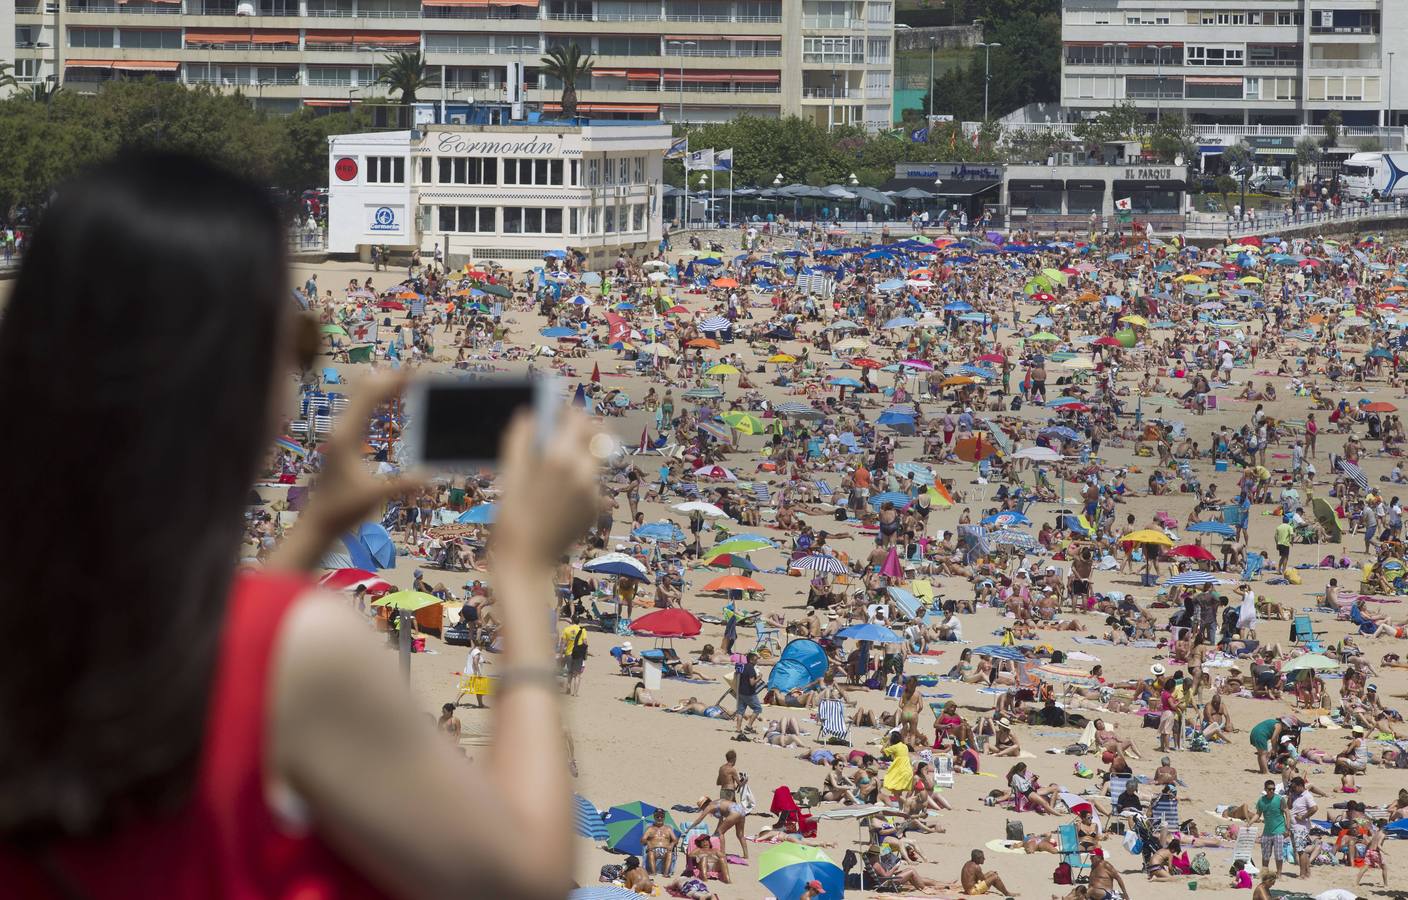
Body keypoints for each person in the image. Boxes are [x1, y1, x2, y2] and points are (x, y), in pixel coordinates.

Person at [0, 154, 606, 899]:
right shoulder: (301, 649)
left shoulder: (51, 624)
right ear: (233, 381)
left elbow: (196, 681)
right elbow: (525, 882)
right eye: (295, 349)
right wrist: (521, 570)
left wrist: (315, 527)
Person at [1253, 779, 1289, 876]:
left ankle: (1279, 874)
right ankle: (1265, 873)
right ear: (1265, 789)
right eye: (1269, 789)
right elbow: (1258, 814)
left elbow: (1286, 812)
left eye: (1273, 789)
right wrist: (1250, 822)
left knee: (1278, 855)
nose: (1272, 791)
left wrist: (1288, 827)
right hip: (1267, 832)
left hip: (1279, 830)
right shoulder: (1261, 801)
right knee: (1265, 855)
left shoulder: (1280, 799)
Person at [642, 808, 679, 876]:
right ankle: (653, 872)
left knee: (670, 853)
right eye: (657, 816)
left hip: (666, 850)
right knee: (650, 853)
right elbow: (642, 840)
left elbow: (675, 839)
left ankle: (666, 873)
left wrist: (672, 844)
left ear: (664, 817)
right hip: (653, 850)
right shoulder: (650, 828)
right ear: (654, 817)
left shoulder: (668, 828)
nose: (659, 818)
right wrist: (648, 842)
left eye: (661, 817)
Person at [735, 651, 764, 735]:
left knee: (740, 711)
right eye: (755, 660)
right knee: (758, 708)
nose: (756, 662)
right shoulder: (750, 668)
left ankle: (738, 729)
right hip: (749, 693)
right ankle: (749, 726)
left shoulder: (742, 666)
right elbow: (752, 683)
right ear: (751, 660)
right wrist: (759, 677)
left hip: (740, 691)